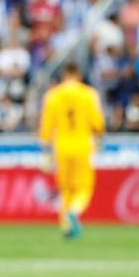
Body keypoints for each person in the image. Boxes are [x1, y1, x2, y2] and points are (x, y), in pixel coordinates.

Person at [38, 62, 105, 240]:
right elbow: (98, 123)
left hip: (61, 146)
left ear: (63, 75)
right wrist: (99, 137)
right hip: (82, 145)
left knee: (65, 188)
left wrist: (45, 149)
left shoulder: (52, 95)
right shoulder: (88, 94)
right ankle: (74, 212)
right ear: (79, 75)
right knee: (83, 188)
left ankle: (67, 227)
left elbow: (46, 125)